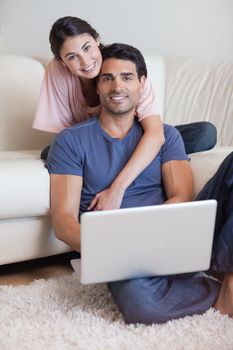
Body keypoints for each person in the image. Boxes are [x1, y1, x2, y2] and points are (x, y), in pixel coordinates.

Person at [46, 42, 233, 324]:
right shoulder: (72, 141)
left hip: (175, 234)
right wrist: (116, 248)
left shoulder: (166, 136)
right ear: (97, 87)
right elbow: (64, 222)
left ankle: (226, 275)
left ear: (142, 84)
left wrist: (156, 235)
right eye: (107, 78)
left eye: (127, 77)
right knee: (140, 303)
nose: (117, 86)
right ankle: (217, 293)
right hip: (125, 256)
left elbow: (182, 197)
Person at [33, 16, 217, 211]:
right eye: (72, 57)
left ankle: (147, 154)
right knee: (52, 151)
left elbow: (154, 133)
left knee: (201, 133)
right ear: (62, 62)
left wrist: (117, 188)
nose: (85, 61)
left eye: (87, 48)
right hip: (88, 143)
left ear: (97, 40)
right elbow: (66, 135)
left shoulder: (121, 64)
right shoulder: (57, 72)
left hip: (131, 136)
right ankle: (140, 156)